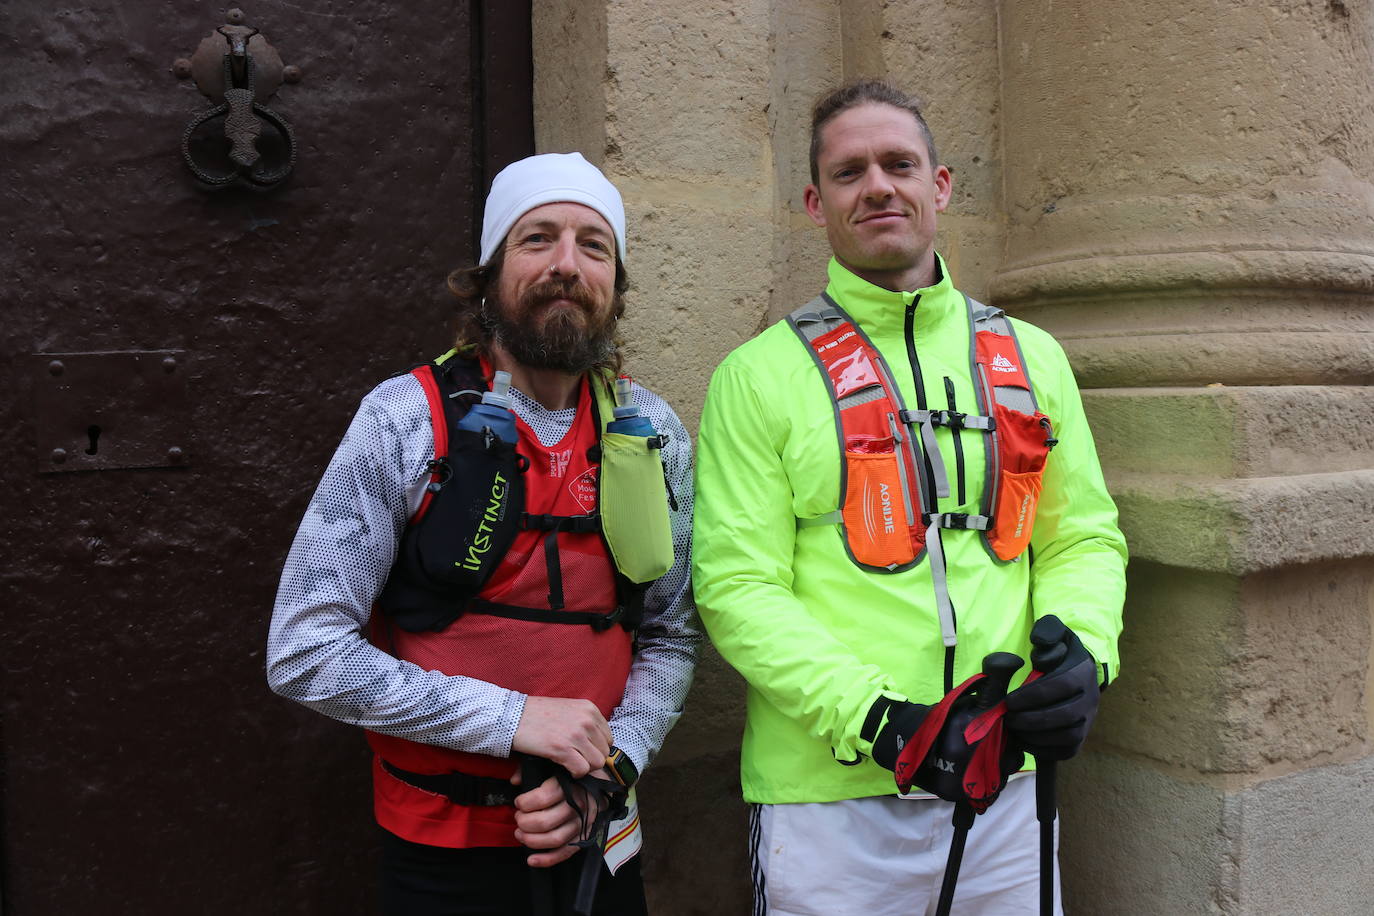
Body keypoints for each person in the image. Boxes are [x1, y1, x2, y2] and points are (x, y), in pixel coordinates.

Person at [692, 79, 1127, 915]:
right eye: (850, 172)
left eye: (899, 163)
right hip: (830, 806)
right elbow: (736, 587)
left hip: (1008, 790)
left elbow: (1081, 539)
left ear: (942, 185)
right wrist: (885, 722)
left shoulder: (1033, 356)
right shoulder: (755, 377)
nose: (879, 185)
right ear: (817, 203)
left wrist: (1083, 654)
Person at [268, 152, 700, 915]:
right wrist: (515, 721)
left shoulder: (653, 430)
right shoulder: (403, 420)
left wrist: (610, 768)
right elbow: (304, 650)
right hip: (442, 850)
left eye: (593, 246)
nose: (567, 264)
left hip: (600, 829)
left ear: (617, 283)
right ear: (491, 271)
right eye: (538, 239)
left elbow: (670, 635)